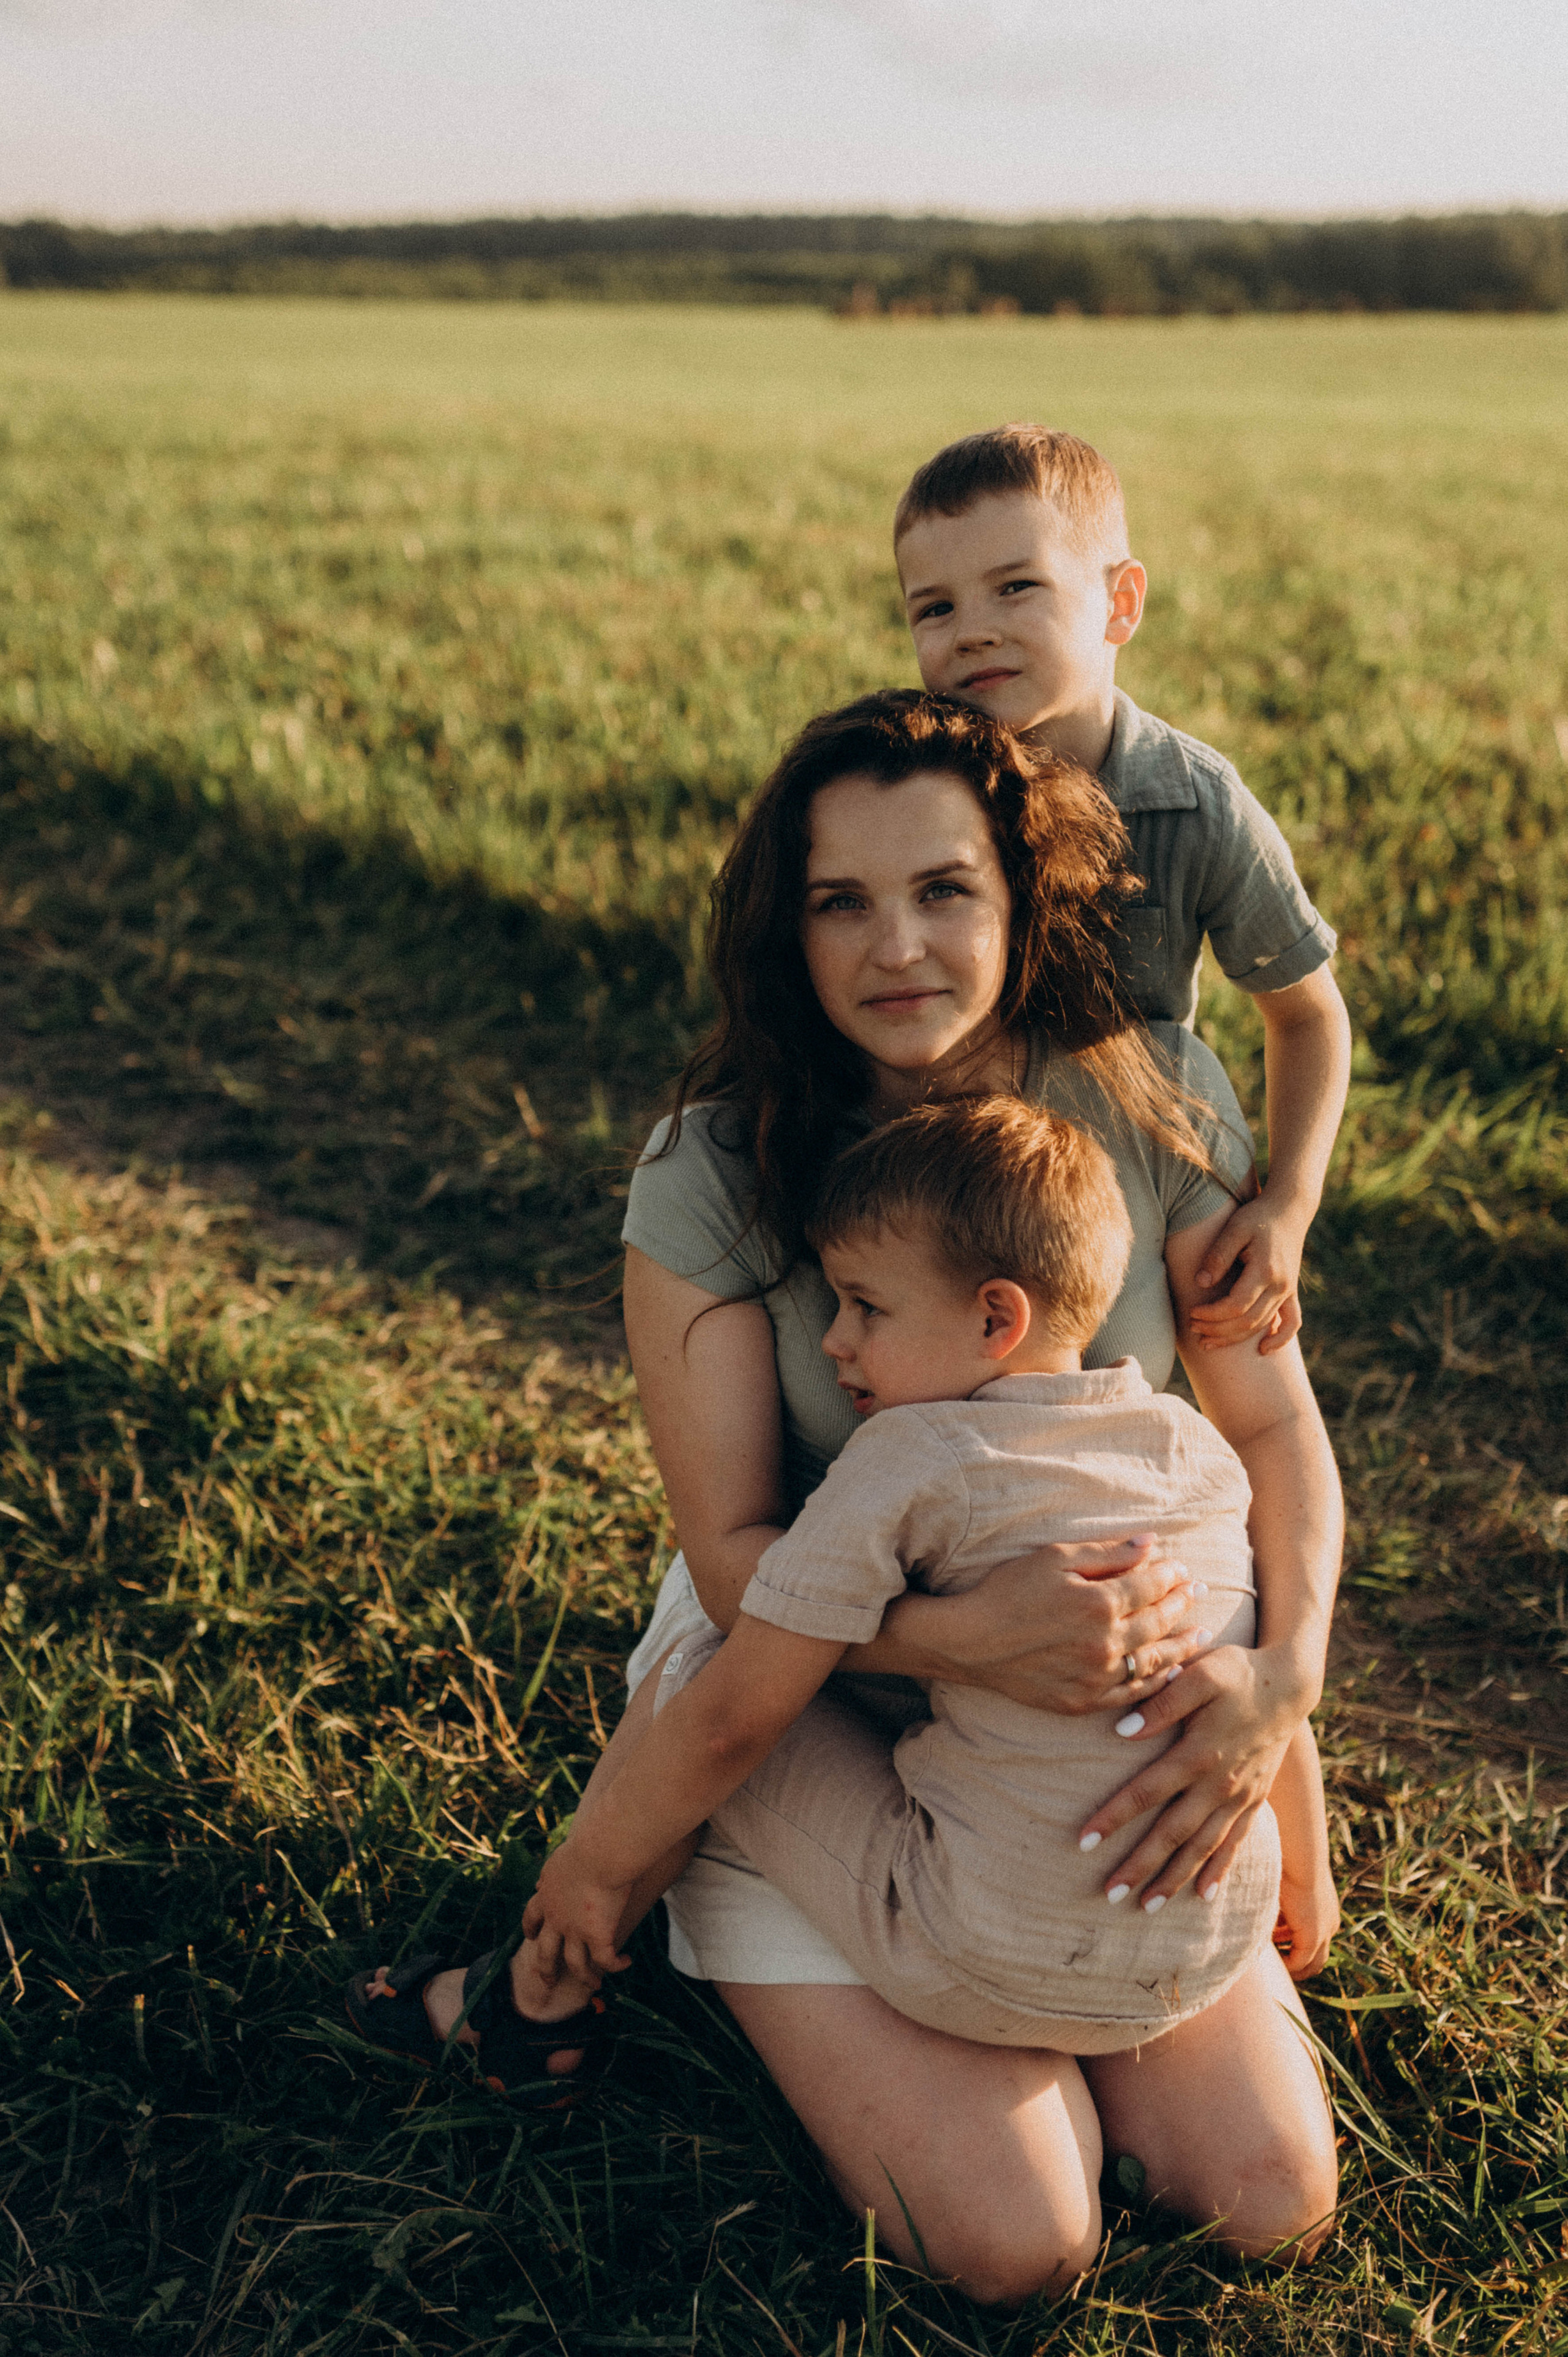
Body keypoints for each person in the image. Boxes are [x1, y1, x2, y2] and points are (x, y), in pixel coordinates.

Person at [347, 690, 1341, 2301]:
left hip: (1081, 1709)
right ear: (784, 928)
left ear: (1020, 901)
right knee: (1020, 2243)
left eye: (946, 889)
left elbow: (1273, 1444)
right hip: (793, 1681)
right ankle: (667, 1906)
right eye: (841, 902)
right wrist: (980, 1641)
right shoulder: (717, 1169)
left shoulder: (1150, 1093)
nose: (899, 946)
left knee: (1263, 2196)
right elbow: (742, 1561)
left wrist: (1273, 1706)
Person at [524, 1096, 1334, 2089]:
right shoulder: (1190, 1450)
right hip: (1198, 1959)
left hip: (968, 1950)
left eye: (865, 1305)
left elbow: (733, 1725)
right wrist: (1305, 1873)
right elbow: (1243, 1684)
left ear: (997, 1317)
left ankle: (553, 1972)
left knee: (709, 1672)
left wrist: (589, 1867)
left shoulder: (905, 1454)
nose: (834, 1342)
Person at [895, 423, 1352, 1360]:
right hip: (942, 1164)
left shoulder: (1195, 805)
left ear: (1120, 601)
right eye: (933, 608)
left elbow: (1306, 1016)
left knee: (1164, 1365)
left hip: (1127, 1174)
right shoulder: (904, 794)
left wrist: (1289, 1205)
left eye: (1015, 586)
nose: (971, 627)